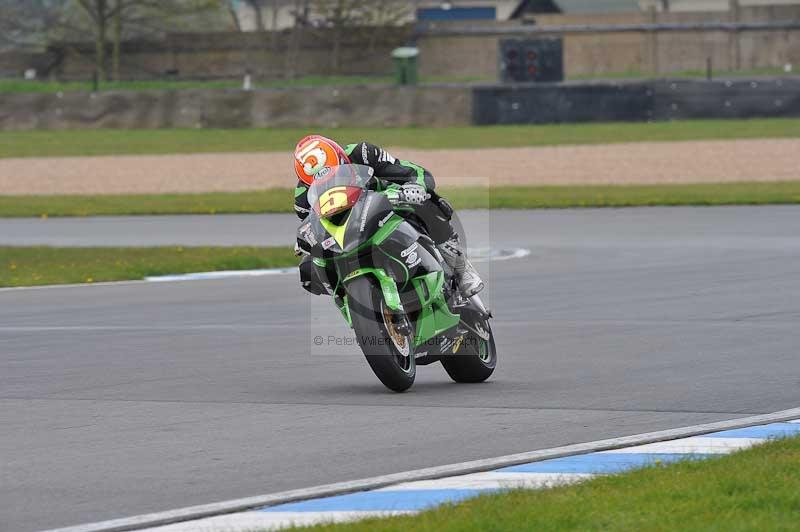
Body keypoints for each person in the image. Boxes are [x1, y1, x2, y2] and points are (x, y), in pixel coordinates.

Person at [293, 134, 483, 297]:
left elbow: (413, 172)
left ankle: (461, 268)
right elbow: (312, 224)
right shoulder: (302, 197)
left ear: (343, 157)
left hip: (384, 207)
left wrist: (414, 186)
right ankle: (352, 302)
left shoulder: (363, 153)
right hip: (344, 232)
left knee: (430, 202)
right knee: (309, 268)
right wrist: (307, 238)